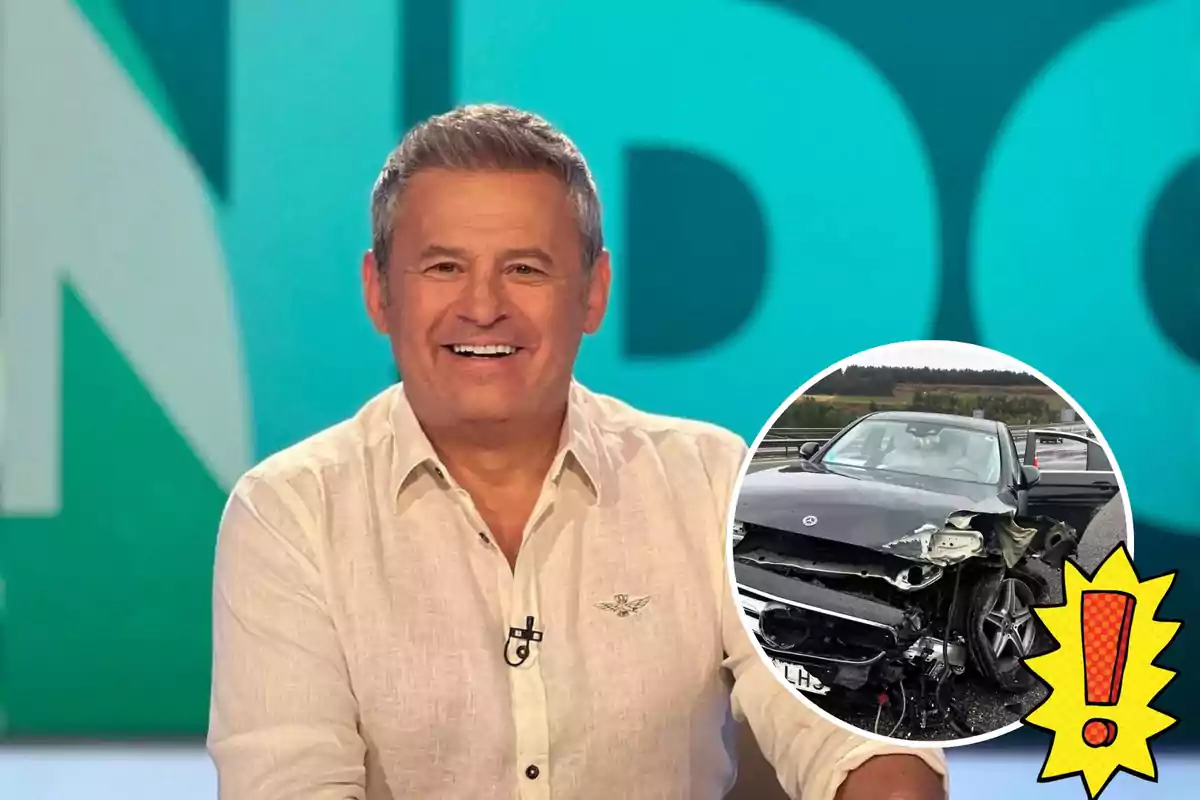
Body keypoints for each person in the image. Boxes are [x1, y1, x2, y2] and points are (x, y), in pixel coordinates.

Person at [206, 104, 948, 800]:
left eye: (525, 268)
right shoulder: (290, 513)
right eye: (443, 267)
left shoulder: (710, 483)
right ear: (378, 293)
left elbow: (853, 735)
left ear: (593, 292)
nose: (484, 304)